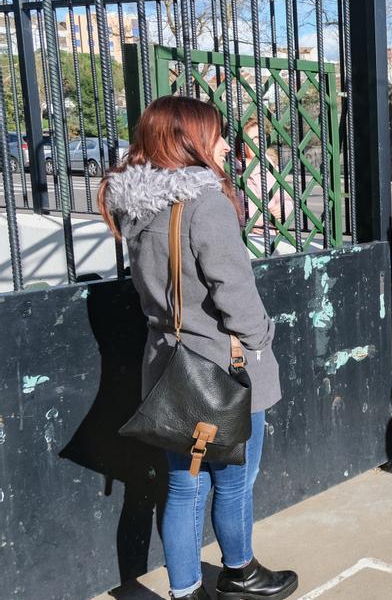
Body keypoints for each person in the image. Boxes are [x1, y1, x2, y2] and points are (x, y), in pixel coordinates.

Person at [98, 97, 297, 600]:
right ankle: (240, 573)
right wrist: (261, 340)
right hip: (223, 367)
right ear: (187, 140)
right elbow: (235, 291)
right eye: (216, 135)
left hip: (167, 366)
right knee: (233, 479)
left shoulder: (136, 206)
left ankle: (186, 591)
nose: (227, 145)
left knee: (184, 488)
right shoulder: (204, 204)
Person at [237, 118, 296, 254]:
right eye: (254, 137)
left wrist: (282, 209)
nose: (259, 142)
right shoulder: (231, 170)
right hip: (244, 240)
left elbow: (286, 199)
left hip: (273, 236)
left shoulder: (270, 167)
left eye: (261, 137)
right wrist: (250, 224)